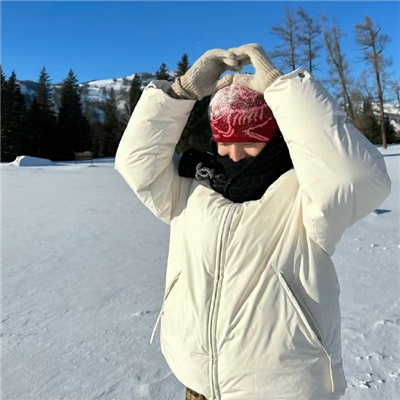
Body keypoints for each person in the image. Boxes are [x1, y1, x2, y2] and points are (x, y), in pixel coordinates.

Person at [115, 44, 391, 400]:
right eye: (224, 141)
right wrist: (181, 92)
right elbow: (135, 163)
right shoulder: (190, 187)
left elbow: (356, 177)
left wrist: (280, 88)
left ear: (274, 136)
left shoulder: (306, 196)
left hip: (283, 388)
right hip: (197, 382)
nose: (233, 154)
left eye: (250, 141)